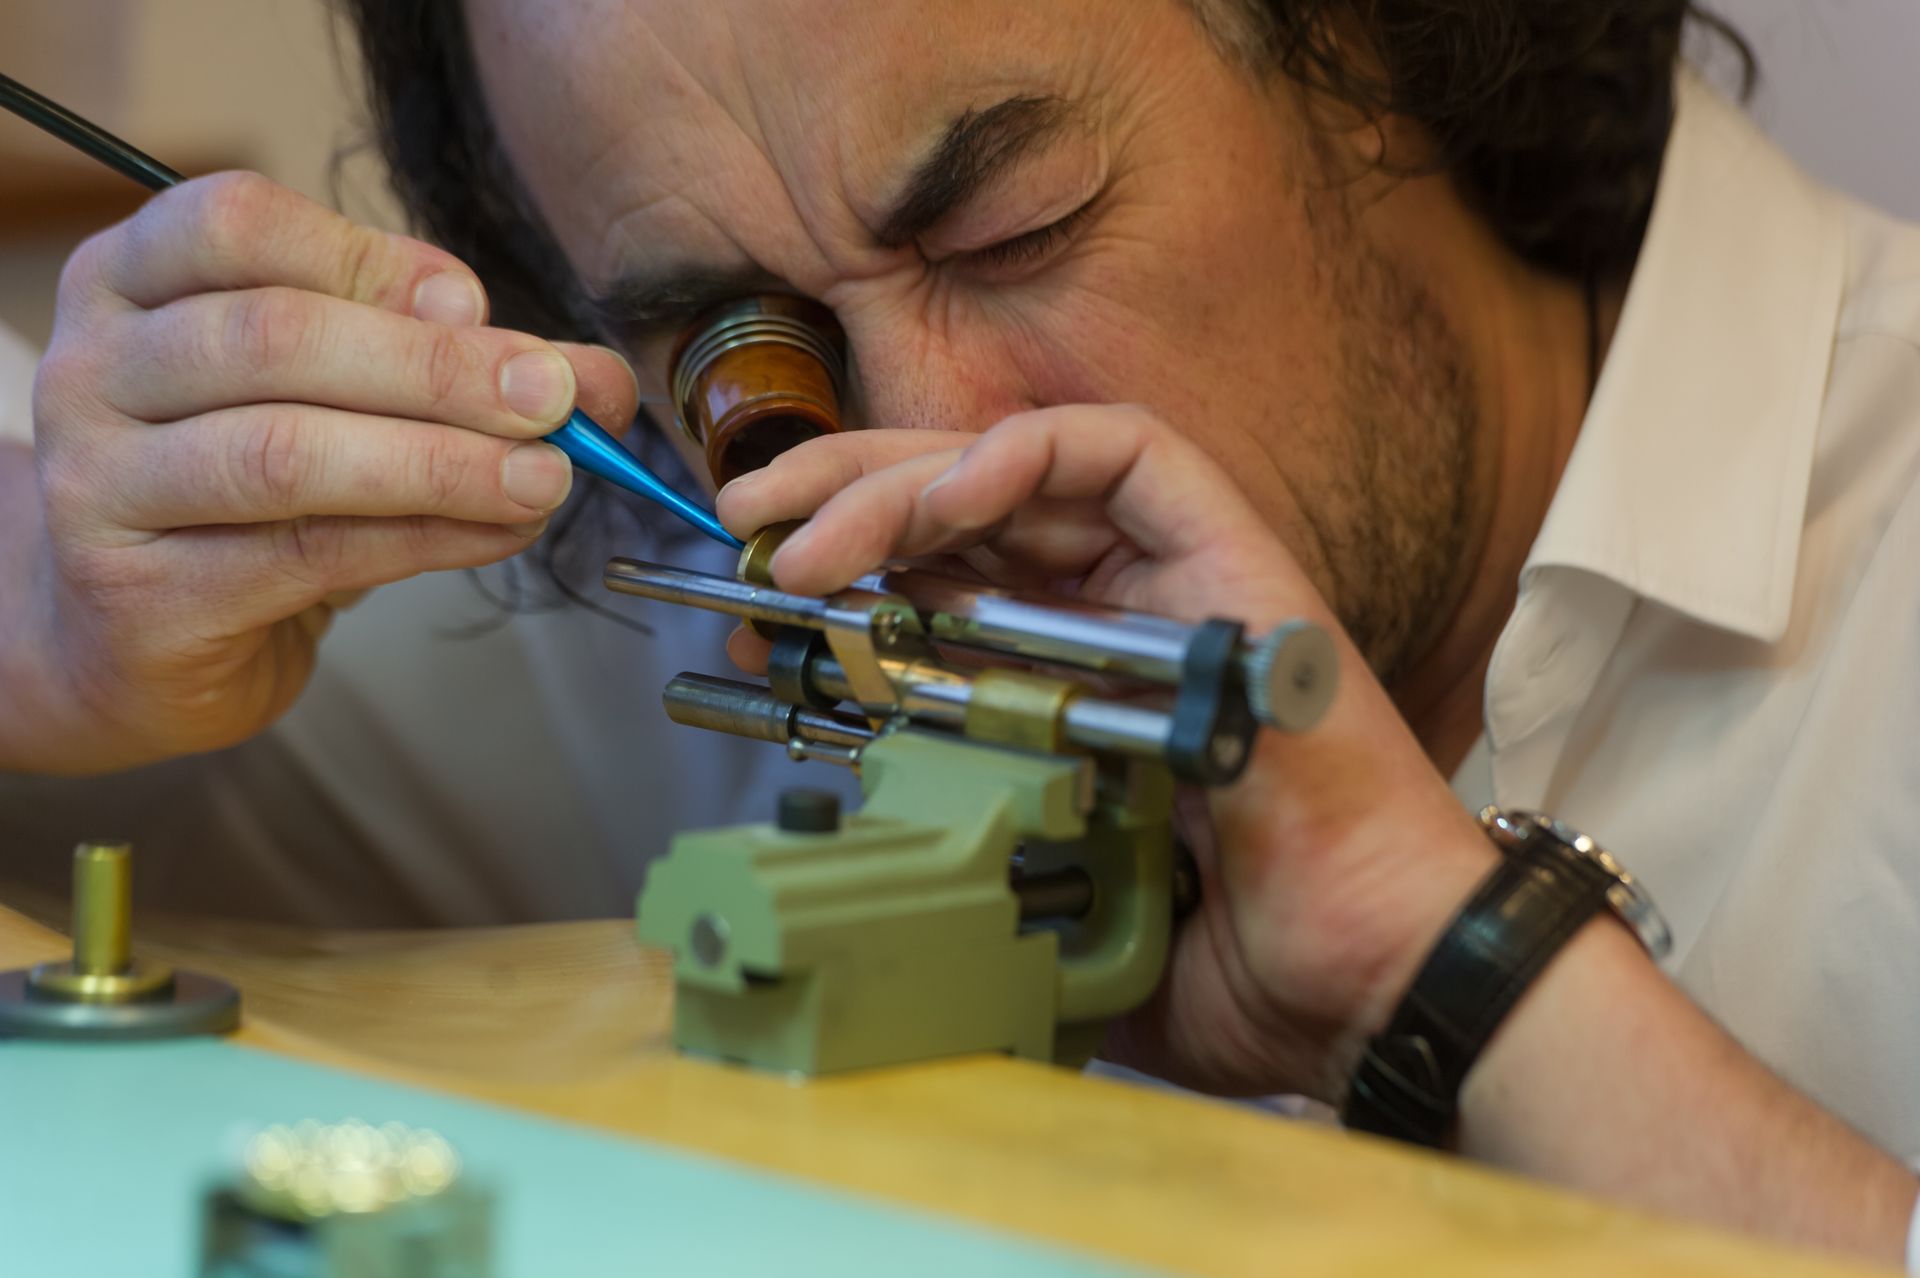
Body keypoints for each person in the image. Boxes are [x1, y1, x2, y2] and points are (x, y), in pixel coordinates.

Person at [1, 0, 1917, 1262]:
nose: (925, 462)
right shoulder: (691, 602)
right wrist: (47, 620)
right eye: (748, 355)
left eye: (1017, 230)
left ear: (1386, 50)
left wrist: (1467, 983)